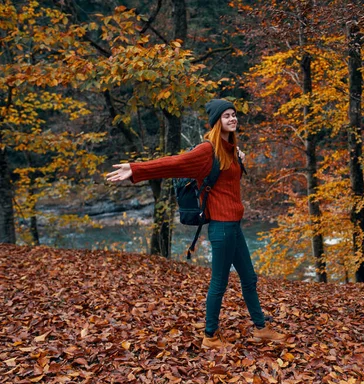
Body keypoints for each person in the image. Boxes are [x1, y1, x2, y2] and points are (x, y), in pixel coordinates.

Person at [106, 99, 287, 350]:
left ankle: (260, 328)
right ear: (216, 121)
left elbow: (228, 172)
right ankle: (210, 336)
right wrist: (136, 169)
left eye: (234, 115)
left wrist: (238, 154)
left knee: (249, 277)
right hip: (222, 228)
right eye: (226, 116)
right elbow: (175, 163)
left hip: (234, 225)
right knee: (219, 282)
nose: (232, 119)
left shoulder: (229, 148)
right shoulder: (206, 151)